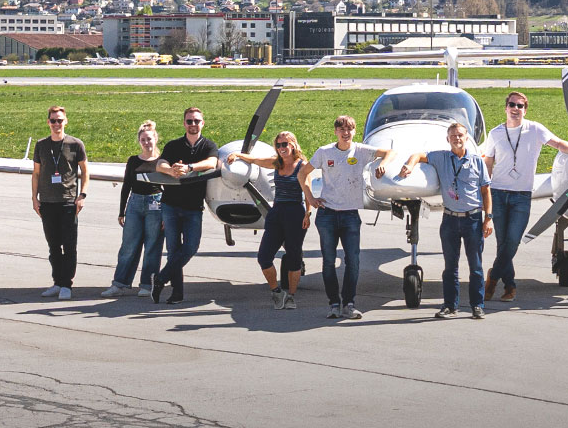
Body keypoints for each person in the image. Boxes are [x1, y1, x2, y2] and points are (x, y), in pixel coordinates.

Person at [480, 91, 568, 304]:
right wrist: (484, 190)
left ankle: (492, 277)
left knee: (513, 242)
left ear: (525, 110)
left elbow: (557, 143)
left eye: (520, 106)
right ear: (506, 108)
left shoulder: (535, 129)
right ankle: (510, 286)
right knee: (502, 243)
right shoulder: (495, 133)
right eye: (512, 105)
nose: (515, 109)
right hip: (498, 193)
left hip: (522, 196)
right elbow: (488, 162)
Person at [403, 123, 491, 318]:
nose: (457, 138)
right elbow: (418, 155)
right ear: (447, 139)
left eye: (460, 135)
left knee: (475, 266)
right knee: (450, 267)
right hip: (450, 219)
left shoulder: (477, 162)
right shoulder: (441, 157)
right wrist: (409, 165)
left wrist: (488, 219)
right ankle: (450, 306)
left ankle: (477, 305)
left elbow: (486, 191)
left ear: (466, 137)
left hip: (473, 219)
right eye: (453, 136)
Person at [309, 115, 391, 319]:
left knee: (353, 261)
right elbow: (303, 173)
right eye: (341, 129)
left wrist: (384, 163)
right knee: (328, 261)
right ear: (336, 131)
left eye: (350, 129)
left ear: (354, 131)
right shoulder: (324, 151)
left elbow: (389, 152)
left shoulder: (362, 151)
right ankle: (334, 304)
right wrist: (310, 197)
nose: (346, 133)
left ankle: (349, 303)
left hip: (350, 217)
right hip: (326, 215)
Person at [229, 130, 313, 309]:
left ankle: (291, 295)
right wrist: (237, 155)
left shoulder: (302, 165)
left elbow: (307, 192)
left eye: (285, 144)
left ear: (293, 145)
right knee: (264, 257)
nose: (282, 148)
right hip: (277, 213)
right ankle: (276, 292)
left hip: (295, 213)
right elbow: (255, 160)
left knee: (293, 256)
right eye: (279, 145)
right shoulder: (276, 163)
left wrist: (308, 213)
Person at [152, 108, 219, 305]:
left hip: (193, 207)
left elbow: (212, 162)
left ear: (203, 123)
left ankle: (161, 279)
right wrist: (171, 170)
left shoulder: (209, 145)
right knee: (173, 250)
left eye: (197, 121)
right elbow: (159, 164)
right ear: (184, 124)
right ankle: (177, 293)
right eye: (189, 121)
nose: (193, 125)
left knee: (190, 247)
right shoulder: (174, 145)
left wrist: (189, 168)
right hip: (170, 205)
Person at [31, 106, 88, 299]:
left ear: (66, 121)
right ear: (48, 122)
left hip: (68, 202)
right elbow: (36, 173)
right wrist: (34, 198)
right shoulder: (41, 145)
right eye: (53, 120)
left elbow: (85, 172)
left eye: (60, 120)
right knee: (53, 245)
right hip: (47, 202)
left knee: (69, 245)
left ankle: (67, 285)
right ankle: (57, 282)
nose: (57, 124)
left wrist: (82, 195)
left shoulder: (75, 144)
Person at [107, 121, 168, 298]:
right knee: (128, 246)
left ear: (155, 139)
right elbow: (126, 186)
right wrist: (122, 211)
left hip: (156, 205)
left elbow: (169, 188)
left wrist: (166, 215)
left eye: (149, 139)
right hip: (135, 203)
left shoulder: (162, 162)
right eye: (143, 140)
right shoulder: (133, 161)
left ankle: (147, 285)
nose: (146, 143)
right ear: (139, 141)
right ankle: (120, 283)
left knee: (152, 247)